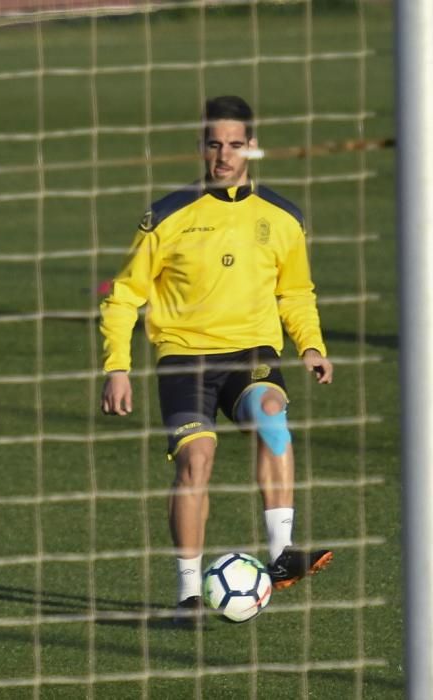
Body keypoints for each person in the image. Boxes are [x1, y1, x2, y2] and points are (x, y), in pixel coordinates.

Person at [100, 95, 333, 621]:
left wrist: (311, 345)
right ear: (201, 146)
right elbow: (123, 296)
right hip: (185, 358)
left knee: (272, 416)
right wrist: (117, 366)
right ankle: (187, 593)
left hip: (250, 352)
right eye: (213, 144)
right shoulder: (166, 216)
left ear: (252, 146)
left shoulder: (283, 218)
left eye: (234, 144)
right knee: (195, 460)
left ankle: (280, 557)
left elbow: (296, 293)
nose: (223, 155)